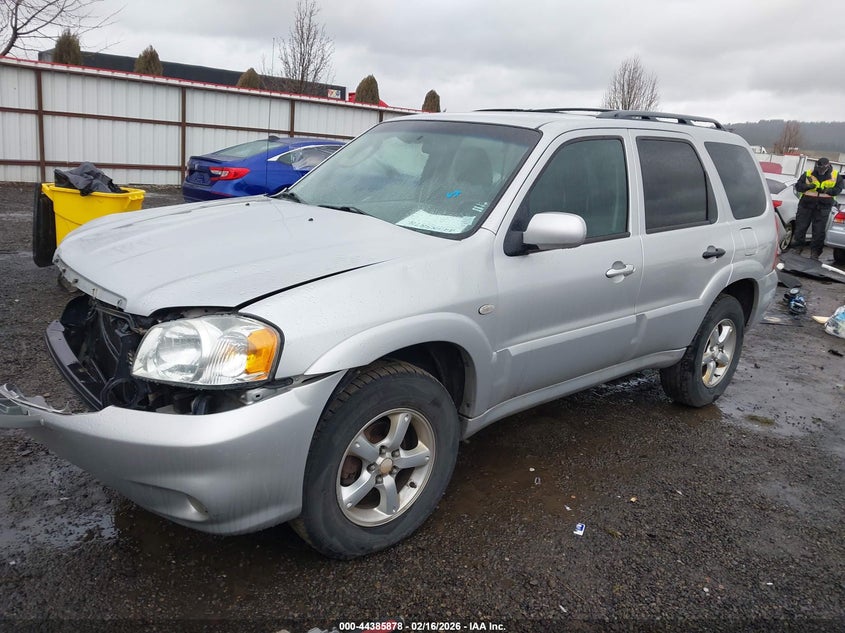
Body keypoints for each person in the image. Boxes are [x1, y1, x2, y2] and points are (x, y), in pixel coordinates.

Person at [791, 157, 844, 259]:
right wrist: (807, 186)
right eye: (819, 168)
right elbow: (798, 186)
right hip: (806, 205)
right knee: (800, 229)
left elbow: (838, 189)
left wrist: (827, 191)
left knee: (818, 232)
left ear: (828, 166)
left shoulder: (835, 176)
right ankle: (797, 249)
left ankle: (815, 253)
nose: (820, 171)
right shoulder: (808, 173)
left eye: (822, 169)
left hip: (823, 207)